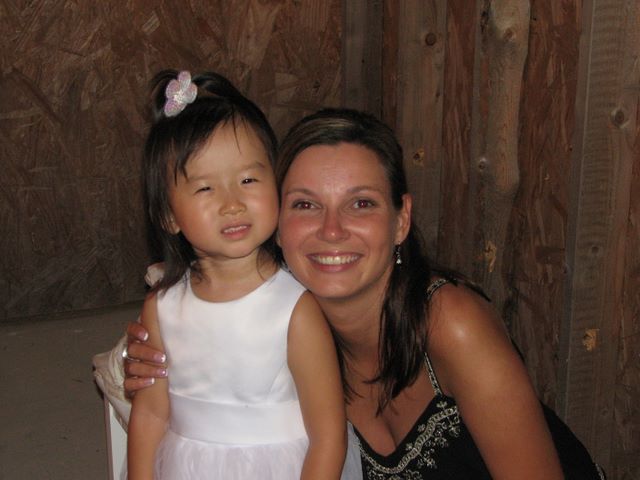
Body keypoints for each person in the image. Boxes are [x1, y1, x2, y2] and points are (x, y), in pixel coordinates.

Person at [123, 107, 605, 479]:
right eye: (306, 205)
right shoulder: (284, 319)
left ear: (401, 220)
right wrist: (150, 360)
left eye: (361, 203)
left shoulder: (451, 324)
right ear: (276, 222)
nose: (332, 230)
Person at [125, 70, 354, 480]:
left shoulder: (295, 309)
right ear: (168, 216)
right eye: (205, 188)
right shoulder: (162, 307)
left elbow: (328, 435)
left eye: (248, 179)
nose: (232, 203)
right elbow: (151, 414)